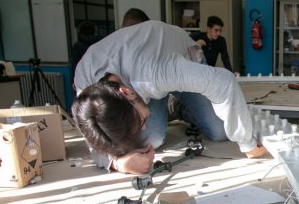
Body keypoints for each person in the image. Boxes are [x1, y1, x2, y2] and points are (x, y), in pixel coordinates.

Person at [72, 20, 266, 175]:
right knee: (151, 139)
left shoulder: (157, 73)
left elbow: (225, 81)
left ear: (127, 93)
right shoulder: (87, 84)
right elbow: (94, 137)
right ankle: (166, 106)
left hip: (181, 56)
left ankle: (178, 107)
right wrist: (118, 163)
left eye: (141, 122)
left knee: (220, 131)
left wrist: (247, 143)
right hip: (147, 70)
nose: (143, 126)